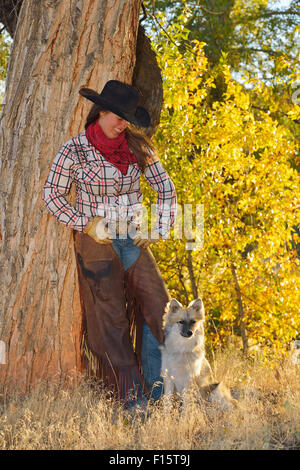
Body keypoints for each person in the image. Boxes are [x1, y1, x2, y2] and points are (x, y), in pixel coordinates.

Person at [42, 80, 176, 407]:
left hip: (131, 236)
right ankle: (131, 400)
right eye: (119, 116)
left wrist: (158, 227)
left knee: (159, 306)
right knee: (111, 317)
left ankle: (159, 389)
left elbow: (167, 190)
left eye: (127, 118)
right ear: (101, 111)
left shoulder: (137, 147)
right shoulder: (74, 149)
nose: (123, 123)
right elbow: (51, 195)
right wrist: (86, 225)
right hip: (95, 240)